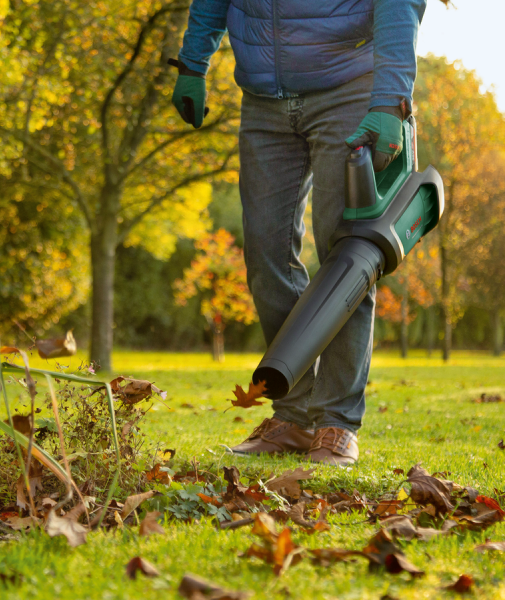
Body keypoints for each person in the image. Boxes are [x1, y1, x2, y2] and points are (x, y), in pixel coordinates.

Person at [170, 0, 427, 465]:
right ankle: (293, 415)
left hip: (349, 89)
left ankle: (335, 423)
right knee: (265, 257)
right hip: (263, 101)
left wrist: (390, 99)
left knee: (348, 257)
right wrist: (193, 62)